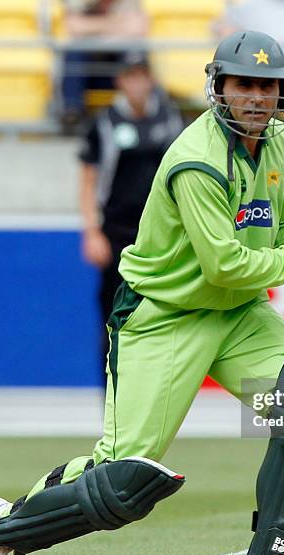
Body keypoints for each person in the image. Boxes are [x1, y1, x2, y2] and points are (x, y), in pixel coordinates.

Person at [0, 31, 284, 555]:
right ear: (220, 88)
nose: (257, 97)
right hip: (164, 317)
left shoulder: (281, 144)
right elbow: (222, 264)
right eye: (245, 85)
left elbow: (278, 224)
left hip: (237, 316)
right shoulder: (197, 160)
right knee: (122, 481)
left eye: (268, 86)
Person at [78, 50, 183, 374]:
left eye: (142, 76)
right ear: (120, 81)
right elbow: (88, 179)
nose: (137, 84)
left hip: (158, 236)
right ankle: (111, 401)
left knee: (158, 319)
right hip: (116, 233)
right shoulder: (106, 122)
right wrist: (92, 230)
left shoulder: (168, 118)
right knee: (113, 321)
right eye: (130, 77)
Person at [60, 0, 148, 128]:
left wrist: (91, 28)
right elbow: (72, 27)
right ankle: (72, 112)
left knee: (134, 53)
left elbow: (138, 28)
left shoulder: (129, 2)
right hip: (88, 72)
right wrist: (117, 25)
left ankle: (140, 112)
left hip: (117, 63)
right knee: (74, 52)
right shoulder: (79, 3)